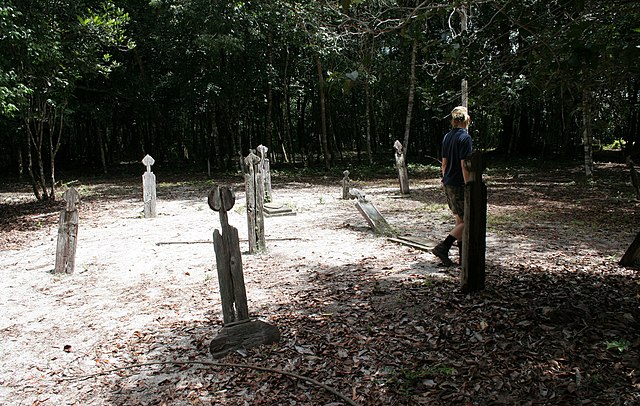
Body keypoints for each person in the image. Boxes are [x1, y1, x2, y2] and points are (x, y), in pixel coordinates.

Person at [432, 106, 472, 266]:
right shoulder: (465, 138)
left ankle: (463, 258)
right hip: (459, 183)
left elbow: (444, 164)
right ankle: (444, 246)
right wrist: (468, 184)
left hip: (448, 182)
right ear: (466, 120)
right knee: (468, 220)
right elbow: (464, 165)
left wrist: (445, 178)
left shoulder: (447, 137)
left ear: (453, 120)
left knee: (459, 219)